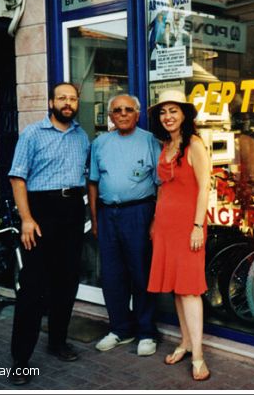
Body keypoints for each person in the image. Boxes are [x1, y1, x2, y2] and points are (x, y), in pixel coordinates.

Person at [7, 82, 90, 385]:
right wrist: (26, 218)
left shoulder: (82, 137)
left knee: (66, 283)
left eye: (72, 98)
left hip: (71, 212)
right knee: (32, 287)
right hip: (40, 212)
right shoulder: (33, 133)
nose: (67, 103)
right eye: (62, 98)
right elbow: (18, 178)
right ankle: (20, 359)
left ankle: (57, 341)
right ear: (51, 102)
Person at [89, 94, 161, 357]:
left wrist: (155, 220)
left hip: (139, 213)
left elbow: (161, 185)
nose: (122, 114)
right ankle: (120, 329)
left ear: (137, 114)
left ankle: (145, 331)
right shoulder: (100, 143)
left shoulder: (150, 141)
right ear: (110, 115)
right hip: (108, 215)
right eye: (116, 110)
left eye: (127, 110)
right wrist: (96, 220)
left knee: (141, 274)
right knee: (112, 275)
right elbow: (93, 183)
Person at [147, 89, 212, 382]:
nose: (168, 116)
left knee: (190, 288)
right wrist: (154, 222)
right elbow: (163, 188)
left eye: (173, 110)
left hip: (189, 226)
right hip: (165, 225)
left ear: (184, 114)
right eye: (163, 112)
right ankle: (185, 342)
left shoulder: (194, 144)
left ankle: (198, 355)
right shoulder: (166, 145)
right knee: (176, 286)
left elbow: (204, 188)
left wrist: (198, 225)